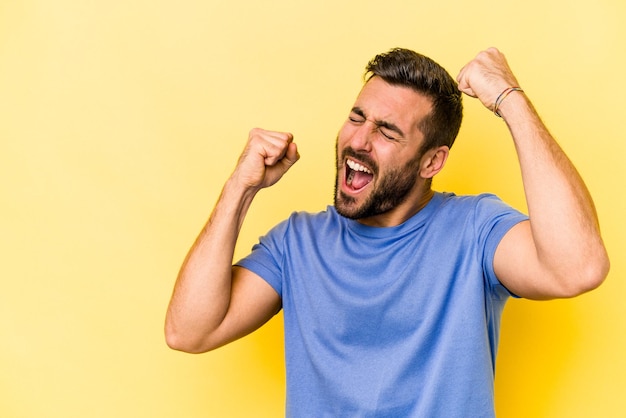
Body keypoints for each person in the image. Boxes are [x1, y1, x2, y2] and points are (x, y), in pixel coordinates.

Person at [165, 47, 609, 417]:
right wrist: (240, 189)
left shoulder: (474, 230)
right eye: (357, 117)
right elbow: (189, 331)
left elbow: (579, 267)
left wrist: (510, 99)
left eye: (387, 132)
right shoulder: (296, 244)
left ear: (431, 162)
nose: (359, 140)